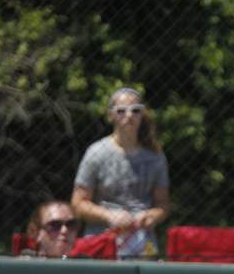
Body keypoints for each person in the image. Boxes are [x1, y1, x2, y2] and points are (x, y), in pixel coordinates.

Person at [71, 87, 170, 259]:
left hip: (143, 244)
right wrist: (109, 216)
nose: (129, 115)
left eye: (136, 110)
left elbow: (163, 204)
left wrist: (152, 216)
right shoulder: (96, 152)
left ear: (143, 114)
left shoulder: (155, 156)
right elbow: (78, 203)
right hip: (102, 242)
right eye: (121, 111)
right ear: (111, 115)